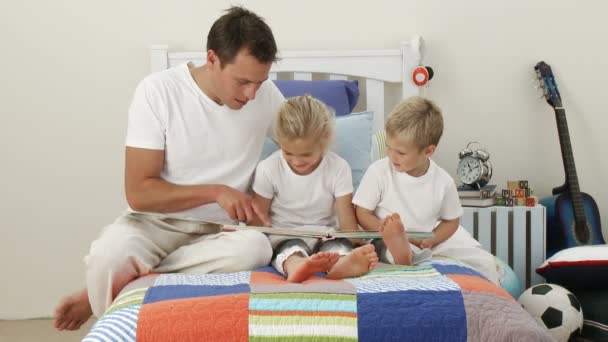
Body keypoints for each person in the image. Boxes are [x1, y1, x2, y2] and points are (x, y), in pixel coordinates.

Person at [54, 6, 286, 331]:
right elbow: (139, 193)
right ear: (212, 58)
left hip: (223, 234)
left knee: (256, 247)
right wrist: (216, 192)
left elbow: (306, 143)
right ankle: (117, 281)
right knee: (109, 256)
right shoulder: (158, 91)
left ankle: (114, 287)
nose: (252, 94)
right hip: (155, 224)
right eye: (243, 81)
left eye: (260, 83)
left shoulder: (266, 96)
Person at [353, 96, 499, 284]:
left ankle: (488, 302)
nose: (392, 156)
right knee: (389, 251)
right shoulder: (379, 171)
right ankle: (402, 256)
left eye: (401, 152)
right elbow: (362, 213)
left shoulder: (443, 181)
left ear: (428, 151)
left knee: (485, 262)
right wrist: (384, 230)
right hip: (389, 238)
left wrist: (432, 240)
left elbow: (451, 221)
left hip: (428, 238)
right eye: (389, 148)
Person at [252, 96, 378, 283]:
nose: (296, 161)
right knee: (288, 251)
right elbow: (258, 219)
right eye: (288, 153)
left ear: (325, 139)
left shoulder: (339, 168)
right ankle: (297, 267)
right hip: (286, 234)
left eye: (306, 154)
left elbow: (346, 221)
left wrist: (358, 243)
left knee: (339, 248)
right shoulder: (268, 168)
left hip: (326, 234)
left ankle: (341, 265)